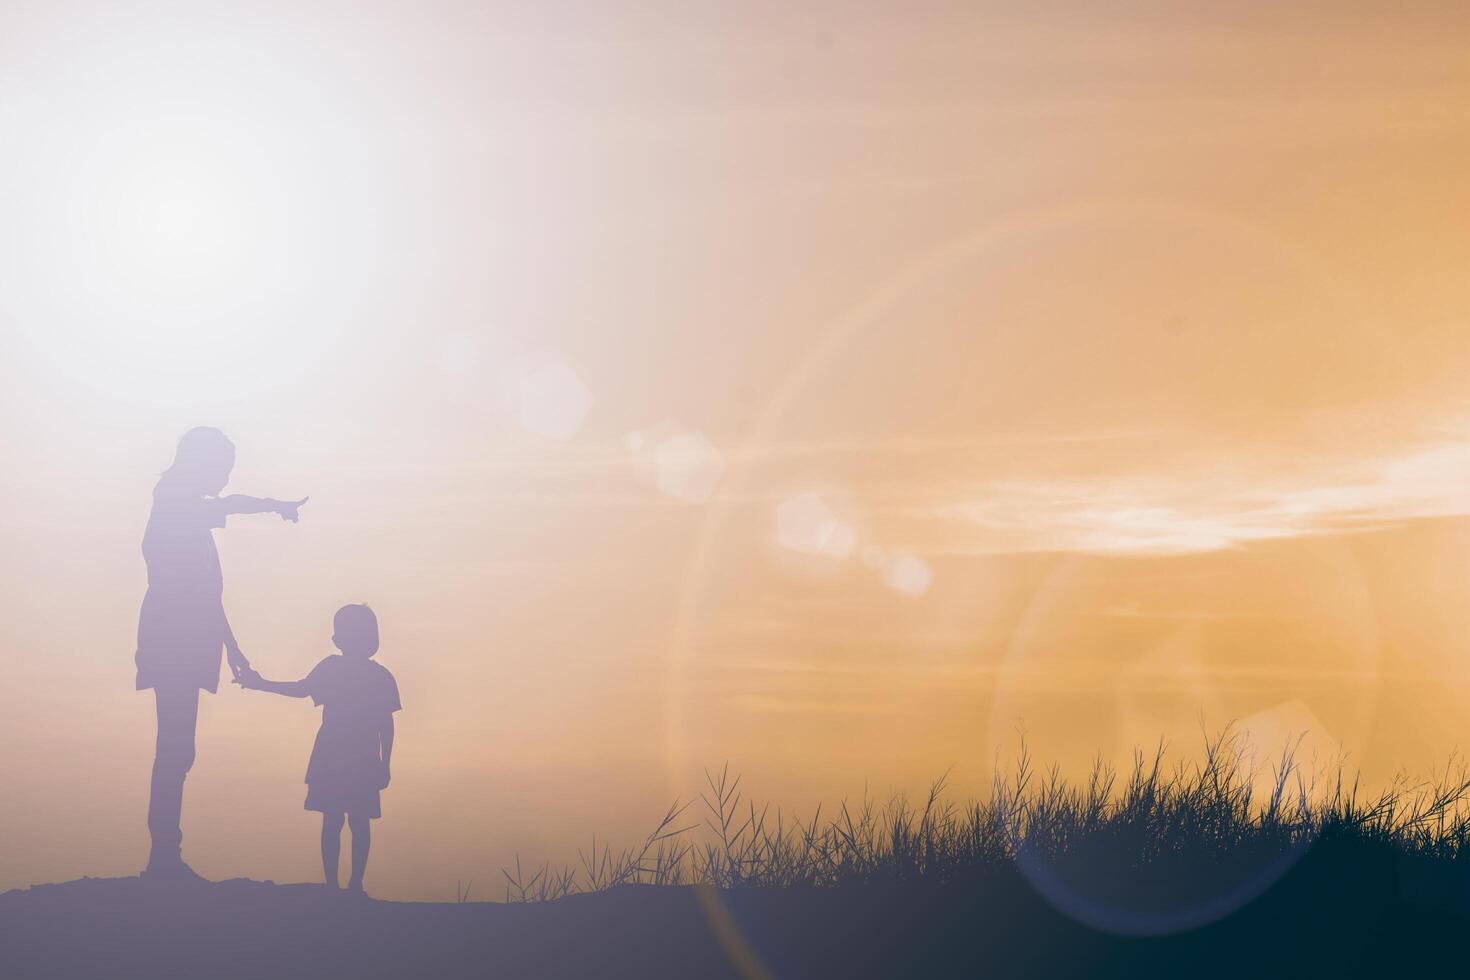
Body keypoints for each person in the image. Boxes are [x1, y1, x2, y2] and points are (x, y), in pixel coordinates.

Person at [136, 426, 308, 880]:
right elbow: (222, 514)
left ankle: (165, 854)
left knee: (179, 748)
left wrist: (232, 650)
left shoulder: (186, 518)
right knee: (174, 748)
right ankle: (163, 857)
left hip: (188, 639)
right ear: (202, 463)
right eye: (222, 469)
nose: (225, 480)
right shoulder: (174, 503)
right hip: (174, 638)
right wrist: (273, 506)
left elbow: (209, 594)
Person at [236, 604, 401, 895]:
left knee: (341, 819)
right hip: (346, 754)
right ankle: (345, 886)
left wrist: (260, 684)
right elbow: (384, 725)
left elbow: (384, 723)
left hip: (343, 753)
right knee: (346, 819)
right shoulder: (374, 675)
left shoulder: (364, 674)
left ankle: (343, 886)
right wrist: (384, 762)